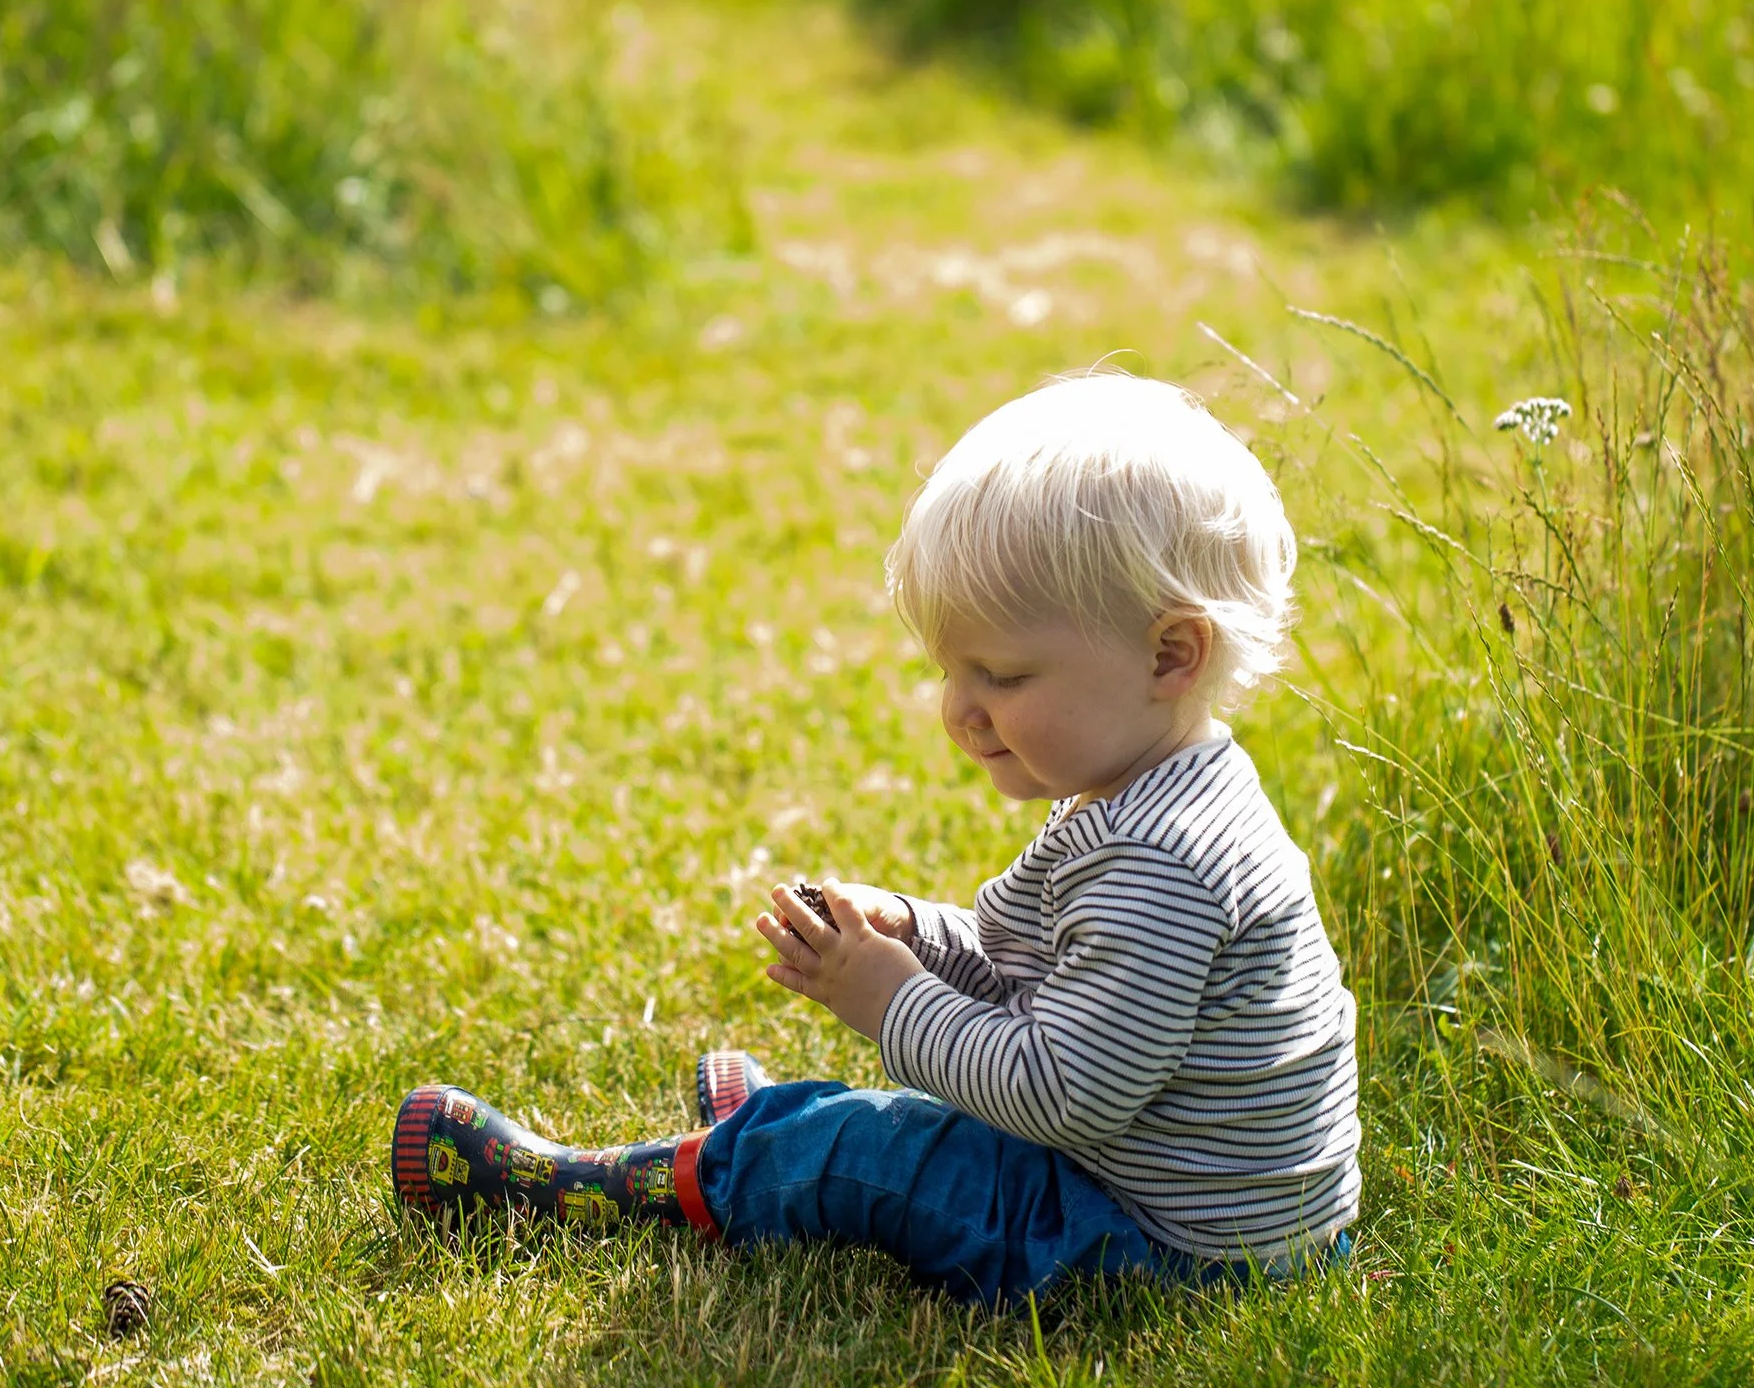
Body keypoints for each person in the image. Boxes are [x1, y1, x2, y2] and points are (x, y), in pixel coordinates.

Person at [391, 374, 1360, 1309]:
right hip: (1196, 1215)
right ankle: (772, 1145)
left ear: (1168, 655)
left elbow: (1058, 1094)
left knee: (883, 1152)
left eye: (1002, 676)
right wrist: (914, 933)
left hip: (1157, 1252)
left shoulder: (1160, 864)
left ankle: (584, 1184)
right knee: (897, 1137)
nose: (959, 712)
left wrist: (888, 996)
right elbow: (1035, 974)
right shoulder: (1171, 790)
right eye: (952, 672)